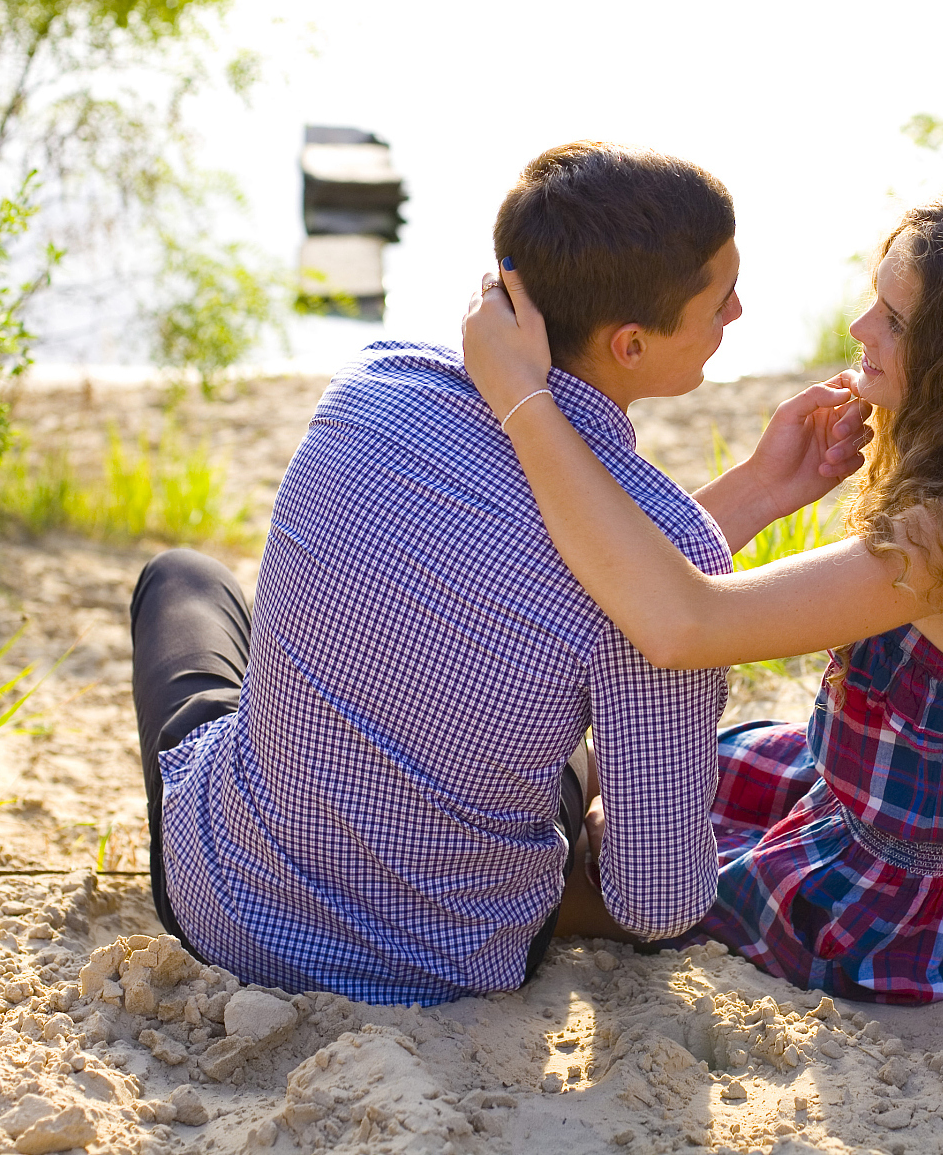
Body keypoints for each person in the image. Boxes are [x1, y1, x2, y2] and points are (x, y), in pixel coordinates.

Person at [127, 141, 868, 1004]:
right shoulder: (668, 558)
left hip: (223, 904)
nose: (740, 310)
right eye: (719, 297)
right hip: (443, 963)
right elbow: (660, 903)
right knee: (558, 760)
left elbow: (588, 556)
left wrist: (764, 487)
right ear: (630, 344)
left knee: (183, 578)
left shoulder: (373, 382)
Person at [462, 178, 943, 1004]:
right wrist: (762, 484)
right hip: (871, 803)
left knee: (564, 890)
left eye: (895, 320)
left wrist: (522, 398)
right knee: (668, 773)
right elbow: (679, 594)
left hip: (887, 895)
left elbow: (683, 622)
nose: (861, 330)